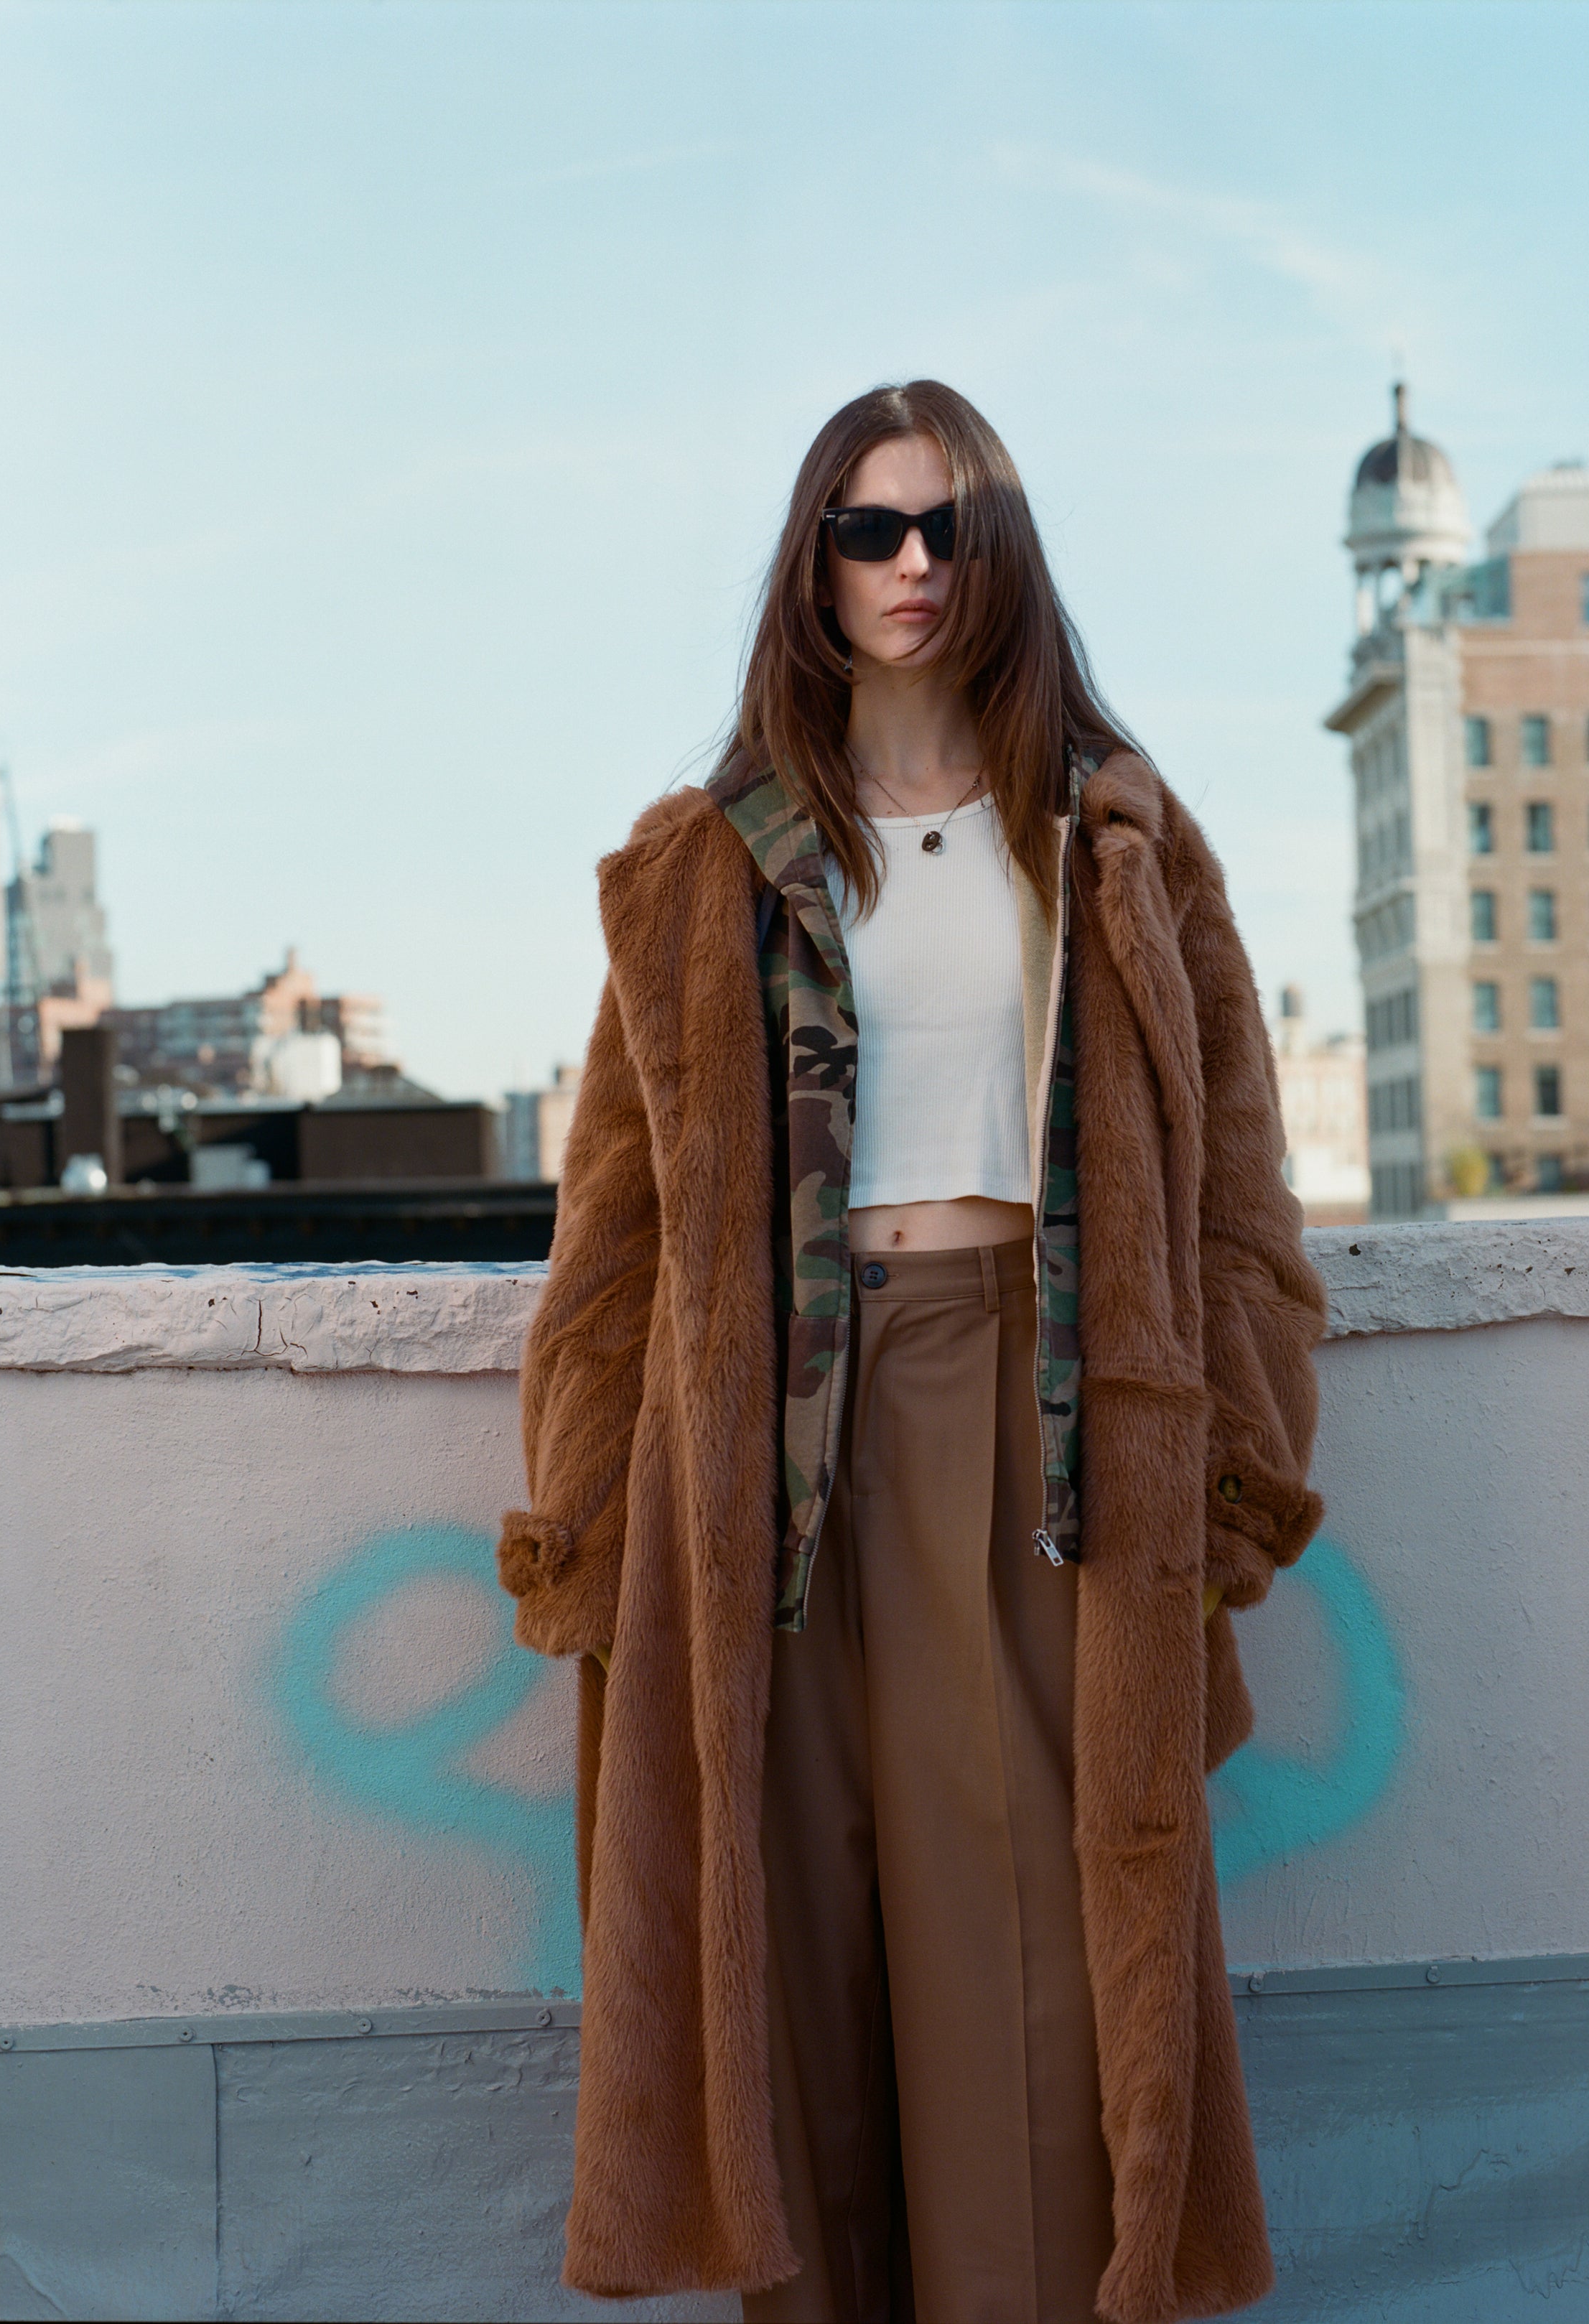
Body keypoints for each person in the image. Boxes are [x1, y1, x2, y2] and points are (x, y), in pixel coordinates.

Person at [497, 379, 1327, 2324]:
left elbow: (1240, 1198)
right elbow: (611, 1227)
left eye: (949, 525)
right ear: (812, 563)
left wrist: (1237, 1451)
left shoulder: (1109, 839)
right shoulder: (707, 860)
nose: (913, 565)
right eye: (869, 530)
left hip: (1034, 1408)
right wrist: (590, 1502)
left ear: (1004, 556)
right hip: (763, 1437)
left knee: (1029, 1966)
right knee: (787, 1961)